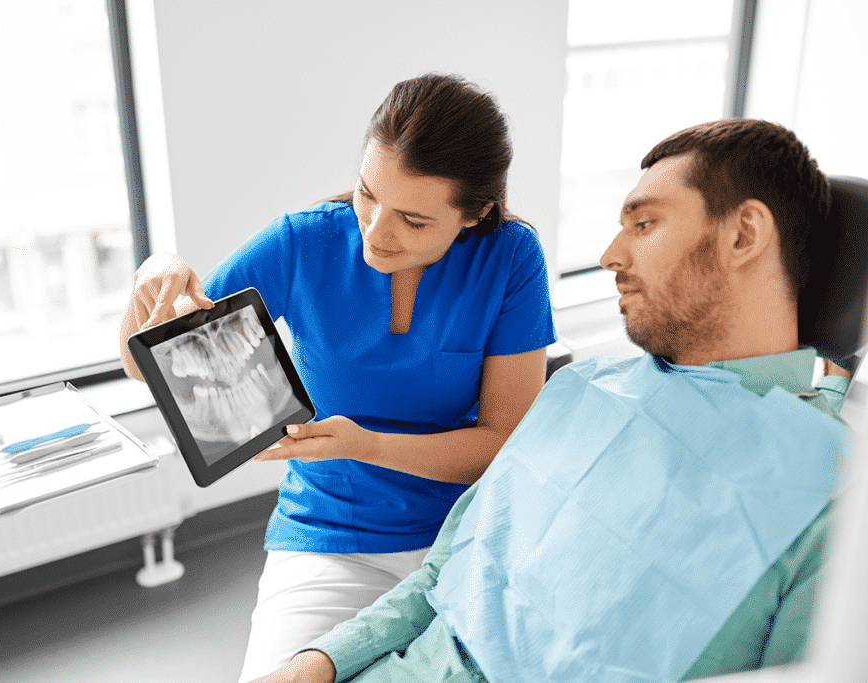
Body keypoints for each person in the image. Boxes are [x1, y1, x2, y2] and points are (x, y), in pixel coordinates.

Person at [252, 118, 852, 683]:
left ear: (743, 234)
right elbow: (442, 573)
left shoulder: (832, 495)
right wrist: (319, 663)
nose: (611, 255)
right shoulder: (580, 389)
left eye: (644, 224)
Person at [119, 74, 557, 681]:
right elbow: (149, 365)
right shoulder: (302, 243)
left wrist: (366, 446)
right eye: (366, 193)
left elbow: (501, 446)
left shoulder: (509, 256)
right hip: (328, 536)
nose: (375, 231)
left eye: (411, 219)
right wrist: (155, 270)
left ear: (474, 213)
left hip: (469, 531)